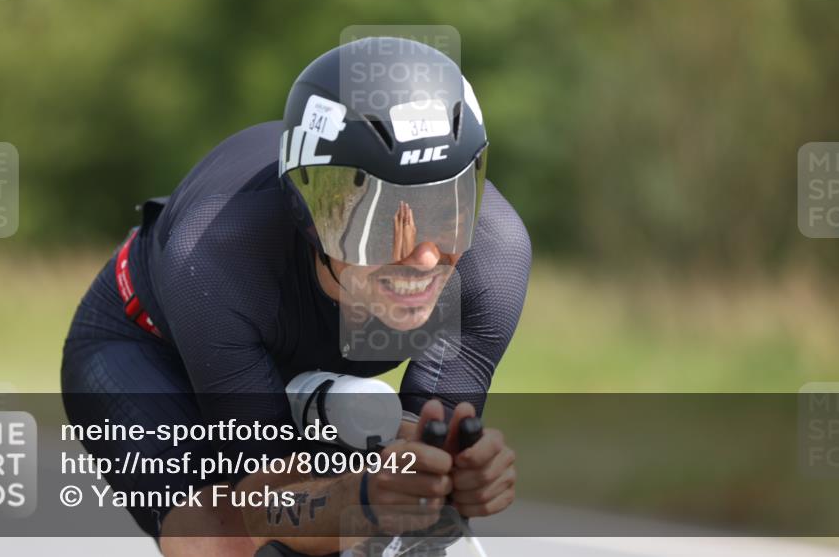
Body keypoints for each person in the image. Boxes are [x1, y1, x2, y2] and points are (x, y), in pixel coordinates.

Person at [61, 37, 532, 556]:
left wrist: (457, 476)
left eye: (447, 209)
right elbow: (262, 505)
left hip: (289, 358)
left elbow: (420, 459)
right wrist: (360, 498)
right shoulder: (213, 255)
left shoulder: (494, 255)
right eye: (381, 223)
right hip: (146, 345)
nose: (423, 258)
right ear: (311, 212)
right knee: (227, 541)